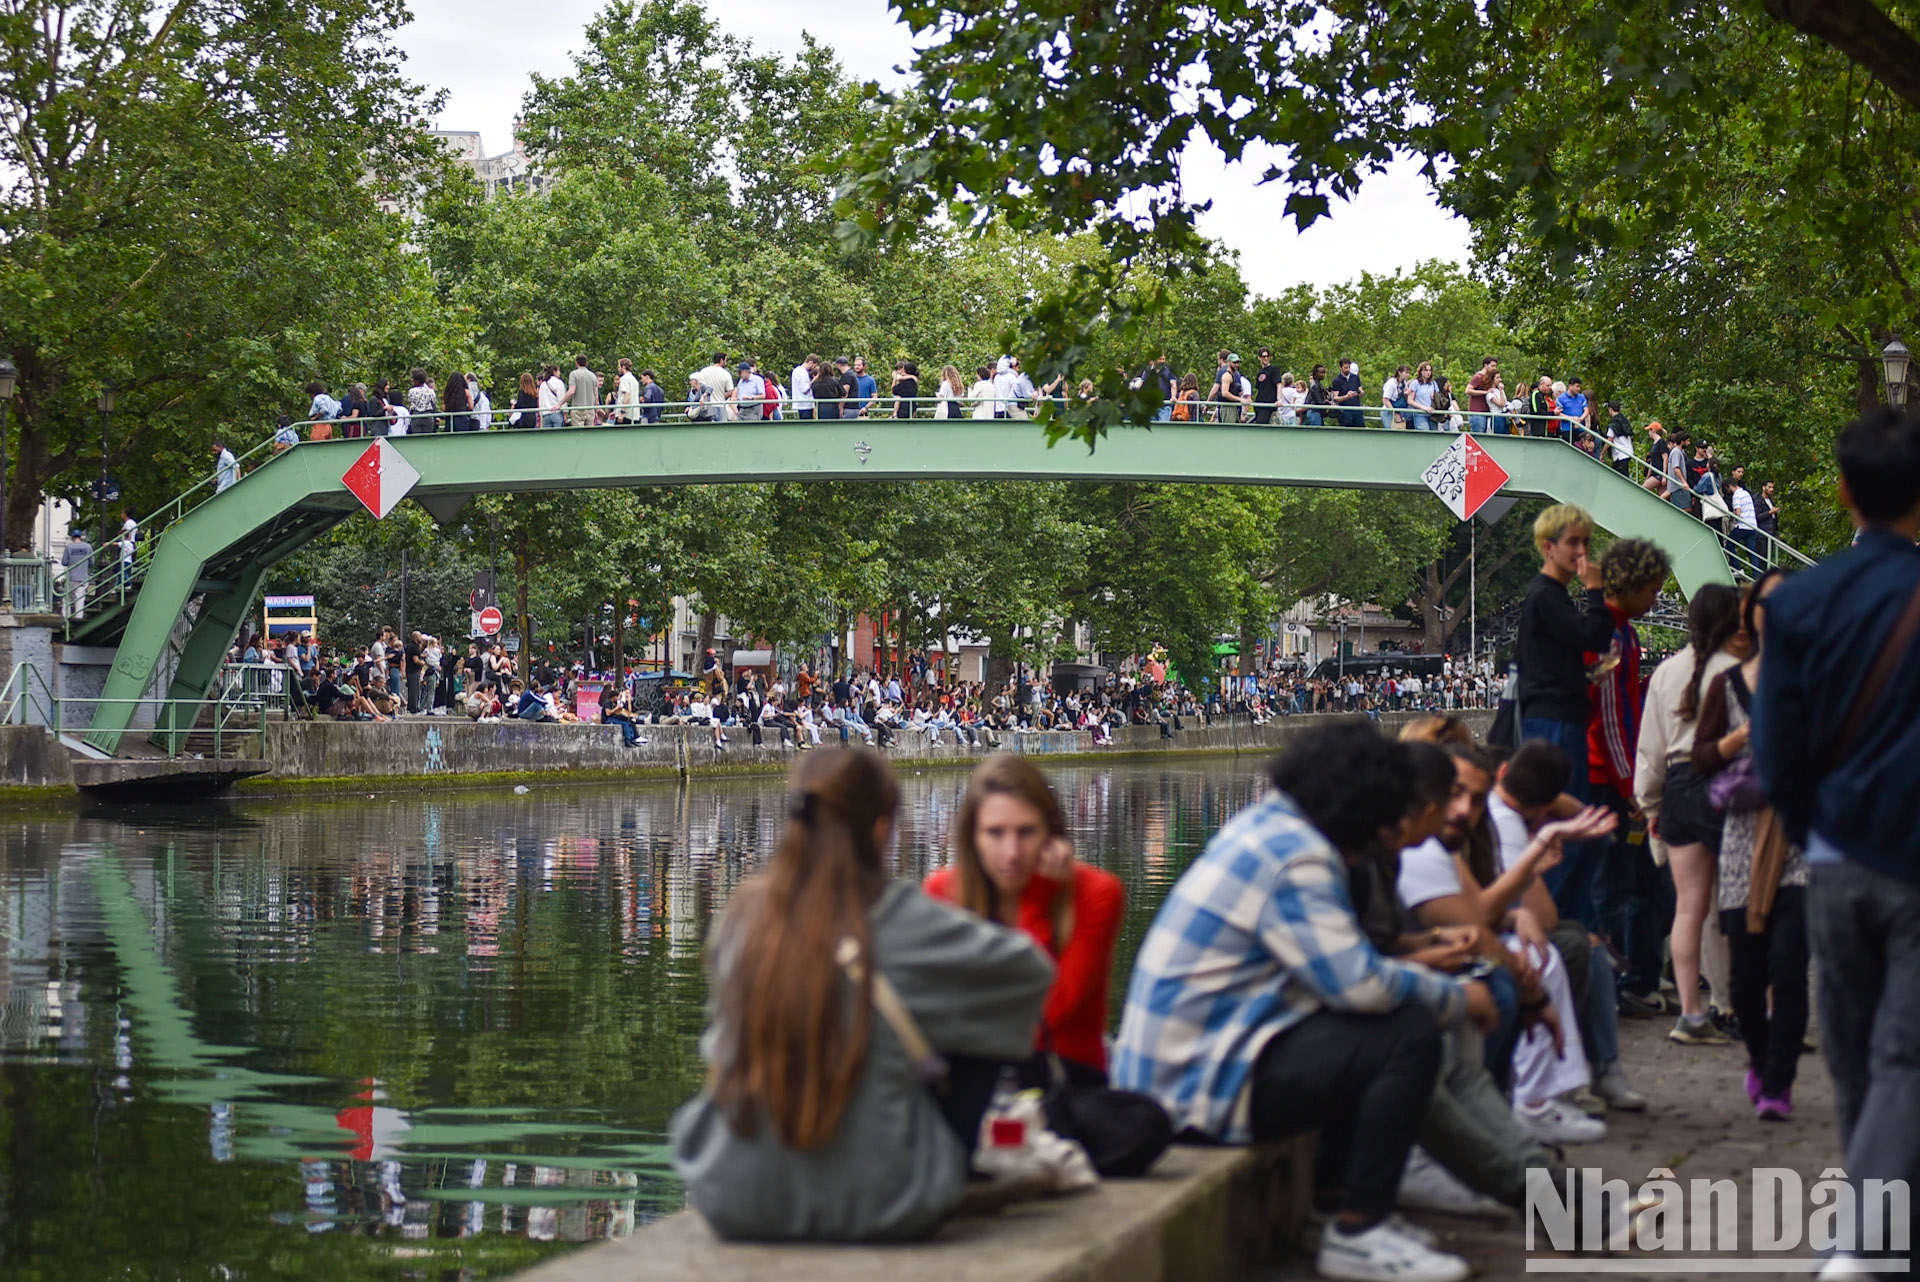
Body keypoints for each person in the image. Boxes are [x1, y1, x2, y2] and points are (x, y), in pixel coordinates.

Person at [1113, 722, 1492, 1282]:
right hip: (1195, 1092)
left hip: (1186, 1071)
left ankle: (1333, 1206)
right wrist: (1462, 997)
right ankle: (1361, 1229)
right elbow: (1362, 985)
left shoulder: (1269, 828)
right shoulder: (1299, 857)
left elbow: (1338, 971)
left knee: (1368, 1025)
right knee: (1405, 1031)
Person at [671, 749, 1053, 1242]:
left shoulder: (742, 916)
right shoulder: (910, 922)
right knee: (967, 1017)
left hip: (732, 1197)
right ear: (880, 828)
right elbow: (1029, 975)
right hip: (886, 1204)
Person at [1755, 408, 1920, 1267]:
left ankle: (1874, 1236)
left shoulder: (1805, 600)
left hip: (1836, 858)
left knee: (1854, 1057)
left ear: (1845, 491)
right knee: (1906, 1059)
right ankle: (1870, 1246)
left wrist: (1817, 826)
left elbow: (1775, 751)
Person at [925, 755, 1173, 1174]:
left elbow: (1048, 1013)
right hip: (973, 1072)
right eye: (995, 833)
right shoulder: (943, 890)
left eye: (1026, 833)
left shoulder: (1096, 893)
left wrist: (1038, 897)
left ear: (1052, 832)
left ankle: (989, 1147)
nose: (1012, 852)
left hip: (1061, 1078)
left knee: (1144, 1125)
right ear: (972, 835)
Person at [1692, 570, 1804, 1120]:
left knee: (1789, 966)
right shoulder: (1727, 685)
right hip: (1740, 840)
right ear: (1751, 614)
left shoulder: (1817, 682)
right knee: (1745, 977)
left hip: (1800, 840)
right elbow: (1702, 758)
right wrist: (1736, 741)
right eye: (1767, 603)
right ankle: (1760, 1060)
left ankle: (1780, 1082)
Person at [1635, 583, 1743, 1046]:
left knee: (1688, 907)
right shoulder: (1738, 671)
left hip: (1678, 789)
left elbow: (1650, 750)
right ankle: (1728, 1003)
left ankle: (1690, 1013)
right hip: (1725, 787)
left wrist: (1650, 805)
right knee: (1728, 905)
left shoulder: (1665, 672)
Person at [1585, 538, 1674, 1010]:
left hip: (1618, 778)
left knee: (1643, 882)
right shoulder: (1613, 636)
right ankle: (1622, 983)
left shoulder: (1624, 634)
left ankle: (1638, 979)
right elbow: (1611, 720)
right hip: (1612, 783)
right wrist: (1633, 788)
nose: (1656, 600)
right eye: (1653, 590)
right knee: (1617, 886)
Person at [1515, 504, 1612, 819]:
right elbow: (1593, 635)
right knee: (1567, 816)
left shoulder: (1549, 595)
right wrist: (1595, 590)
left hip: (1556, 717)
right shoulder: (1546, 596)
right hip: (1554, 721)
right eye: (1573, 542)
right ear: (1548, 547)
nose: (1582, 551)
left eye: (1585, 542)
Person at [1330, 357, 1363, 428]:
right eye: (1345, 368)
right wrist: (1347, 396)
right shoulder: (1337, 381)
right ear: (1340, 367)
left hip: (1357, 409)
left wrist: (1360, 393)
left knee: (1361, 430)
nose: (1347, 369)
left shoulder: (1355, 377)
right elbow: (1335, 398)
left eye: (1349, 367)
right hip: (1345, 411)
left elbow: (1360, 389)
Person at [1465, 357, 1496, 434]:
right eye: (1492, 366)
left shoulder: (1488, 378)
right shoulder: (1478, 377)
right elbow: (1468, 390)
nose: (1494, 368)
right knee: (1477, 438)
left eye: (1495, 366)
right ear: (1486, 365)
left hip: (1484, 412)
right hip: (1477, 413)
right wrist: (1485, 392)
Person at [567, 355, 599, 427]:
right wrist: (597, 408)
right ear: (586, 363)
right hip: (590, 409)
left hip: (578, 409)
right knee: (589, 434)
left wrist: (560, 403)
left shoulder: (574, 374)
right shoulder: (593, 375)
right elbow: (596, 395)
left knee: (579, 434)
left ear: (576, 363)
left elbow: (571, 391)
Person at [1406, 362, 1438, 432]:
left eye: (1430, 370)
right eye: (1426, 370)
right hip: (1420, 414)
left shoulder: (1433, 383)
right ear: (1420, 371)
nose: (1428, 372)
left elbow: (1438, 398)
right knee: (1424, 433)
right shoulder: (1415, 383)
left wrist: (1435, 396)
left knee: (1434, 435)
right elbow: (1410, 400)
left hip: (1433, 414)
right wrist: (1424, 408)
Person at [1603, 401, 1633, 476]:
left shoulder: (1613, 423)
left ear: (1610, 409)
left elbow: (1609, 440)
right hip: (1628, 451)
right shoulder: (1624, 420)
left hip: (1620, 454)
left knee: (1621, 476)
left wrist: (1602, 453)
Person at [1252, 348, 1281, 425]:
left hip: (1268, 405)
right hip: (1259, 405)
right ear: (1259, 357)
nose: (1266, 358)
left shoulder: (1274, 370)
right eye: (1264, 356)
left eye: (1268, 356)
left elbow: (1279, 384)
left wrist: (1279, 399)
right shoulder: (1260, 372)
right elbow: (1259, 389)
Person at [406, 367, 438, 433]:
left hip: (416, 416)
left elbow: (410, 401)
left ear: (417, 380)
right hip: (428, 416)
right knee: (427, 439)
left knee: (417, 438)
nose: (412, 380)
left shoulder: (411, 391)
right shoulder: (430, 391)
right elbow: (434, 403)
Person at [613, 358, 642, 424]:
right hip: (634, 414)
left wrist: (622, 413)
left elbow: (627, 395)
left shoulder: (624, 379)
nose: (618, 369)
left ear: (623, 367)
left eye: (619, 367)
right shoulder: (634, 380)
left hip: (626, 415)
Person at [790, 354, 818, 420]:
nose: (814, 368)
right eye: (814, 366)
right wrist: (814, 379)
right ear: (810, 362)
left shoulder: (796, 370)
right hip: (805, 405)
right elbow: (804, 389)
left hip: (799, 403)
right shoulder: (803, 373)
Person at [537, 364, 566, 428]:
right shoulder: (559, 382)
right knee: (558, 436)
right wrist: (565, 413)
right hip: (556, 413)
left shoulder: (543, 384)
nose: (559, 372)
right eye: (558, 371)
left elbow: (541, 401)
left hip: (545, 414)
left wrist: (541, 414)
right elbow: (562, 398)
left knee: (547, 437)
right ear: (554, 372)